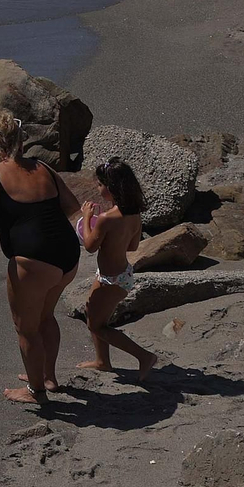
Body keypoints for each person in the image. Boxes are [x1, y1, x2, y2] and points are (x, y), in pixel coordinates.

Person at [0, 111, 81, 404]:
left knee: (25, 328)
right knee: (45, 317)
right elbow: (74, 209)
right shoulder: (45, 169)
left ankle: (36, 392)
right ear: (23, 143)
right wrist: (92, 236)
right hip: (68, 257)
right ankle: (48, 377)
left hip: (33, 262)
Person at [76, 159, 158, 378]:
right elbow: (133, 246)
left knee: (96, 325)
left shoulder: (105, 218)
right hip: (121, 273)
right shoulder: (134, 214)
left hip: (111, 279)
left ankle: (144, 356)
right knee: (91, 312)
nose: (98, 188)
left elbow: (90, 246)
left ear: (111, 188)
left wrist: (86, 218)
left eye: (100, 184)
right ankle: (103, 361)